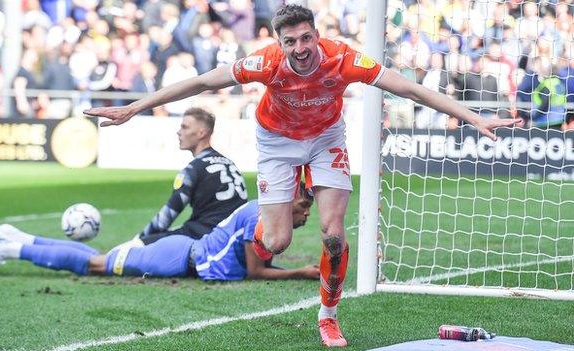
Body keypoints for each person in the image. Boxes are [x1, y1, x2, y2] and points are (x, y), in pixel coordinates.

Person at [84, 5, 521, 347]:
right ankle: (262, 219)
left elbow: (406, 87)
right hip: (275, 142)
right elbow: (202, 82)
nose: (299, 47)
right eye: (290, 40)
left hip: (326, 138)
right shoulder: (265, 63)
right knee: (276, 243)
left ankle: (328, 318)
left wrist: (470, 116)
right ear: (279, 41)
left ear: (316, 34)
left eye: (305, 38)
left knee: (334, 233)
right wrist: (133, 107)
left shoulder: (342, 58)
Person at [0, 184, 318, 283]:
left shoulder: (265, 210)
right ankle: (10, 248)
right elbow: (255, 272)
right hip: (179, 257)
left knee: (97, 260)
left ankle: (14, 236)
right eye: (304, 207)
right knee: (96, 265)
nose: (305, 215)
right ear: (289, 202)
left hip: (185, 252)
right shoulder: (259, 217)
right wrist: (302, 273)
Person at [133, 107, 247, 246]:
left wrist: (138, 241)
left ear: (201, 133)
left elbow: (168, 215)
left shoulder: (193, 169)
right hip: (236, 237)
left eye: (184, 127)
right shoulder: (230, 163)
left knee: (135, 251)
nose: (179, 132)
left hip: (206, 238)